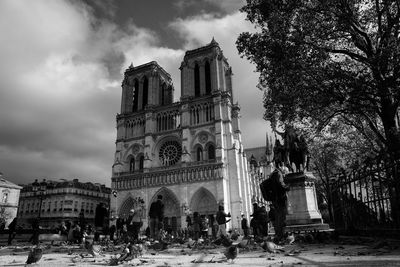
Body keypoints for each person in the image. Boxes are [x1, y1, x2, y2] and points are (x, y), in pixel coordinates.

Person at [269, 160, 290, 241]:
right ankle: (280, 235)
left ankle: (279, 235)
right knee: (281, 216)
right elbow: (281, 185)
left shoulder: (273, 174)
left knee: (278, 216)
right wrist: (288, 187)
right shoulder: (278, 174)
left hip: (275, 198)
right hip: (280, 198)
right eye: (283, 166)